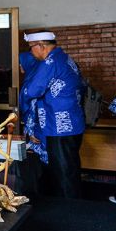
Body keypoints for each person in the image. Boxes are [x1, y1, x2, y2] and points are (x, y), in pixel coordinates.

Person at [23, 32, 85, 198]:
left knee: (63, 173)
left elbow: (33, 90)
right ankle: (73, 204)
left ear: (41, 46)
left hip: (59, 126)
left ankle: (69, 208)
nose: (31, 52)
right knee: (69, 169)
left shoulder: (50, 62)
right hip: (72, 123)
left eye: (31, 48)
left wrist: (24, 94)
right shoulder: (65, 58)